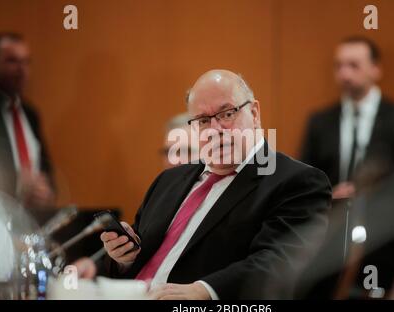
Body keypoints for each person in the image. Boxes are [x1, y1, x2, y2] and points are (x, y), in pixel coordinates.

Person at [100, 69, 331, 299]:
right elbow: (138, 260)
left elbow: (278, 262)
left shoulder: (296, 182)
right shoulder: (168, 180)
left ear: (254, 112)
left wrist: (205, 291)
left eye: (227, 114)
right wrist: (124, 259)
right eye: (202, 121)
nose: (215, 130)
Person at [299, 36, 394, 296]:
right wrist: (328, 194)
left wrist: (377, 192)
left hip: (383, 237)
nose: (344, 73)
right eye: (339, 66)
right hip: (330, 237)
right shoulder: (319, 121)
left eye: (354, 65)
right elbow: (303, 180)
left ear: (376, 69)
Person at [0, 32, 55, 222]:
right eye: (12, 61)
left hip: (30, 223)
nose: (21, 70)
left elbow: (46, 171)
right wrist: (18, 185)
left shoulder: (30, 114)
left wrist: (47, 192)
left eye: (26, 62)